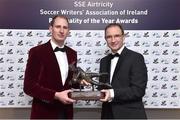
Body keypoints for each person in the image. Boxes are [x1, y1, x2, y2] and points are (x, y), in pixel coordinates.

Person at [23, 15, 88, 119]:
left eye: (65, 27)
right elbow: (29, 87)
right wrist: (55, 95)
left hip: (66, 112)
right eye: (58, 26)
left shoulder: (72, 53)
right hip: (44, 112)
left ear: (68, 31)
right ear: (50, 28)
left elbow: (69, 81)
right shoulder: (36, 52)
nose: (61, 31)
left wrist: (80, 82)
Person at [99, 23, 148, 119]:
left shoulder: (136, 58)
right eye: (109, 37)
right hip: (108, 115)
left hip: (130, 116)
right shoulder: (103, 61)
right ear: (105, 39)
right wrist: (87, 83)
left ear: (123, 37)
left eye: (116, 36)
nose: (113, 40)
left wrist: (112, 93)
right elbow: (103, 88)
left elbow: (138, 90)